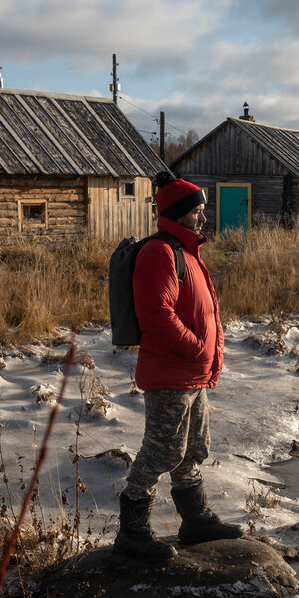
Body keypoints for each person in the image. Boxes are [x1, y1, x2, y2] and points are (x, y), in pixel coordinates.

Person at [114, 171, 243, 561]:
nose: (204, 218)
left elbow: (207, 313)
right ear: (180, 213)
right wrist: (195, 348)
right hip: (171, 374)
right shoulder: (160, 253)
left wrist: (210, 357)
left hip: (193, 375)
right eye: (199, 211)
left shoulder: (187, 252)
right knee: (160, 453)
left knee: (192, 450)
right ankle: (132, 533)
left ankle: (195, 521)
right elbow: (156, 314)